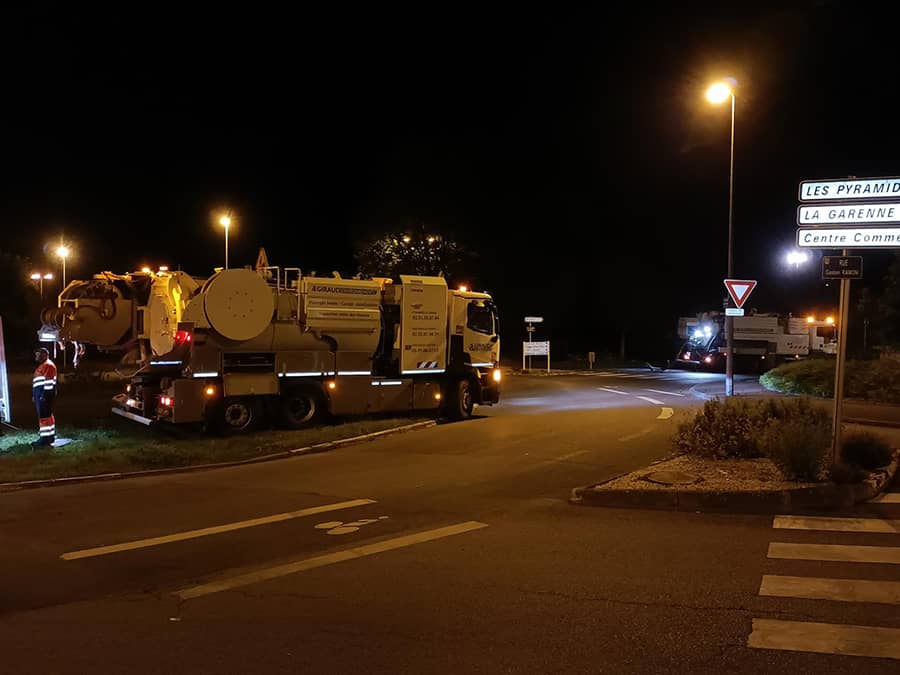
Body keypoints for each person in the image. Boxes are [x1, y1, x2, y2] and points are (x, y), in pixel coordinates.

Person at [31, 347, 58, 447]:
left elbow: (48, 382)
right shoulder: (44, 365)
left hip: (44, 394)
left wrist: (43, 396)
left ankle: (45, 439)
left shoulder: (48, 365)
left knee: (44, 417)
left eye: (38, 354)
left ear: (45, 355)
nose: (36, 356)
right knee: (47, 416)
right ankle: (50, 436)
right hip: (41, 394)